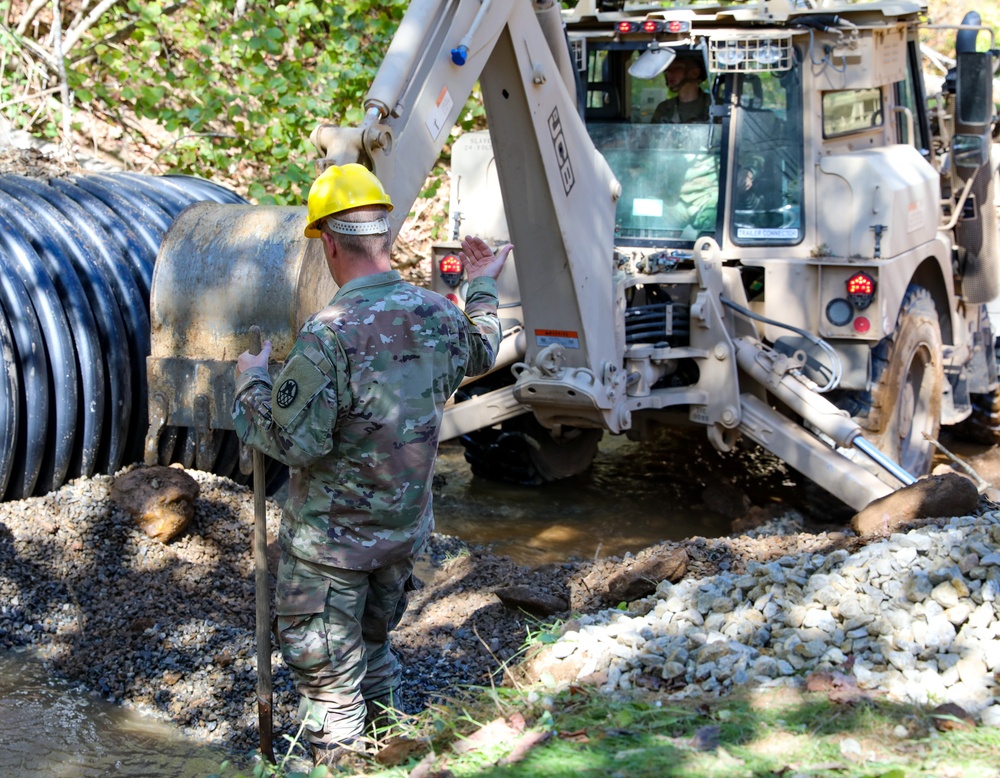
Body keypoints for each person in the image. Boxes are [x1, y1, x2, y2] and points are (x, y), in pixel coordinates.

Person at [232, 162, 511, 765]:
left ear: (329, 243)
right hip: (402, 538)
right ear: (384, 237)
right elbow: (485, 346)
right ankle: (394, 753)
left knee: (330, 684)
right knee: (376, 650)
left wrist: (251, 387)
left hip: (331, 551)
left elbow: (293, 443)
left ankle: (344, 760)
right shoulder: (439, 315)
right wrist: (484, 281)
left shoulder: (330, 335)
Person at [652, 57, 710, 124]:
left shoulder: (715, 107)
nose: (669, 73)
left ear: (695, 73)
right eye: (667, 70)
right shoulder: (664, 109)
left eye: (677, 68)